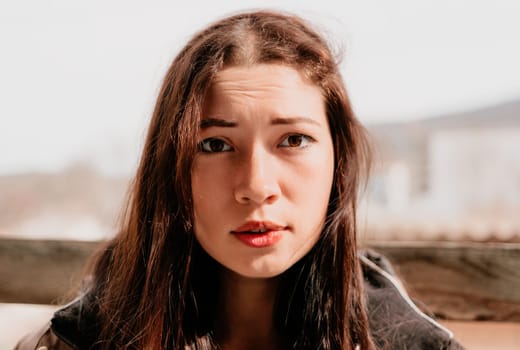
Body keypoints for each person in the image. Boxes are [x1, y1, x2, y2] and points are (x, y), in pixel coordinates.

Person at [15, 10, 463, 350]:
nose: (256, 185)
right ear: (170, 168)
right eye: (214, 145)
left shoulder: (408, 343)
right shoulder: (77, 341)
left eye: (293, 139)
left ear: (338, 161)